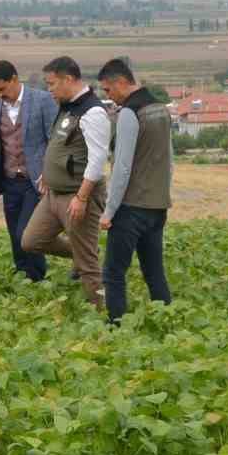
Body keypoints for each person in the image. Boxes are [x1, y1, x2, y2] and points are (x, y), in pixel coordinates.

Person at [21, 56, 111, 306]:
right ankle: (82, 252)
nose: (49, 89)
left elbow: (97, 160)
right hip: (53, 193)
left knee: (88, 266)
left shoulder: (92, 112)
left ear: (68, 79)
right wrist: (47, 175)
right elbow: (61, 145)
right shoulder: (68, 105)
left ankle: (105, 312)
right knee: (31, 241)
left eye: (52, 84)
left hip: (77, 196)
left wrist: (82, 197)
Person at [97, 58, 173, 322]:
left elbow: (122, 168)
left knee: (113, 273)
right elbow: (168, 160)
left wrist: (109, 211)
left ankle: (117, 328)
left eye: (108, 90)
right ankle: (166, 323)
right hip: (157, 206)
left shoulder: (130, 113)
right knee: (154, 272)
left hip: (130, 209)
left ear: (120, 82)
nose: (109, 97)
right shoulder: (161, 109)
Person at [0, 60, 58, 281]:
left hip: (36, 181)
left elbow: (55, 142)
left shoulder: (42, 100)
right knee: (14, 232)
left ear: (14, 79)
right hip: (9, 180)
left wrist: (50, 174)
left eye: (2, 89)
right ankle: (22, 273)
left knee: (26, 232)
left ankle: (37, 277)